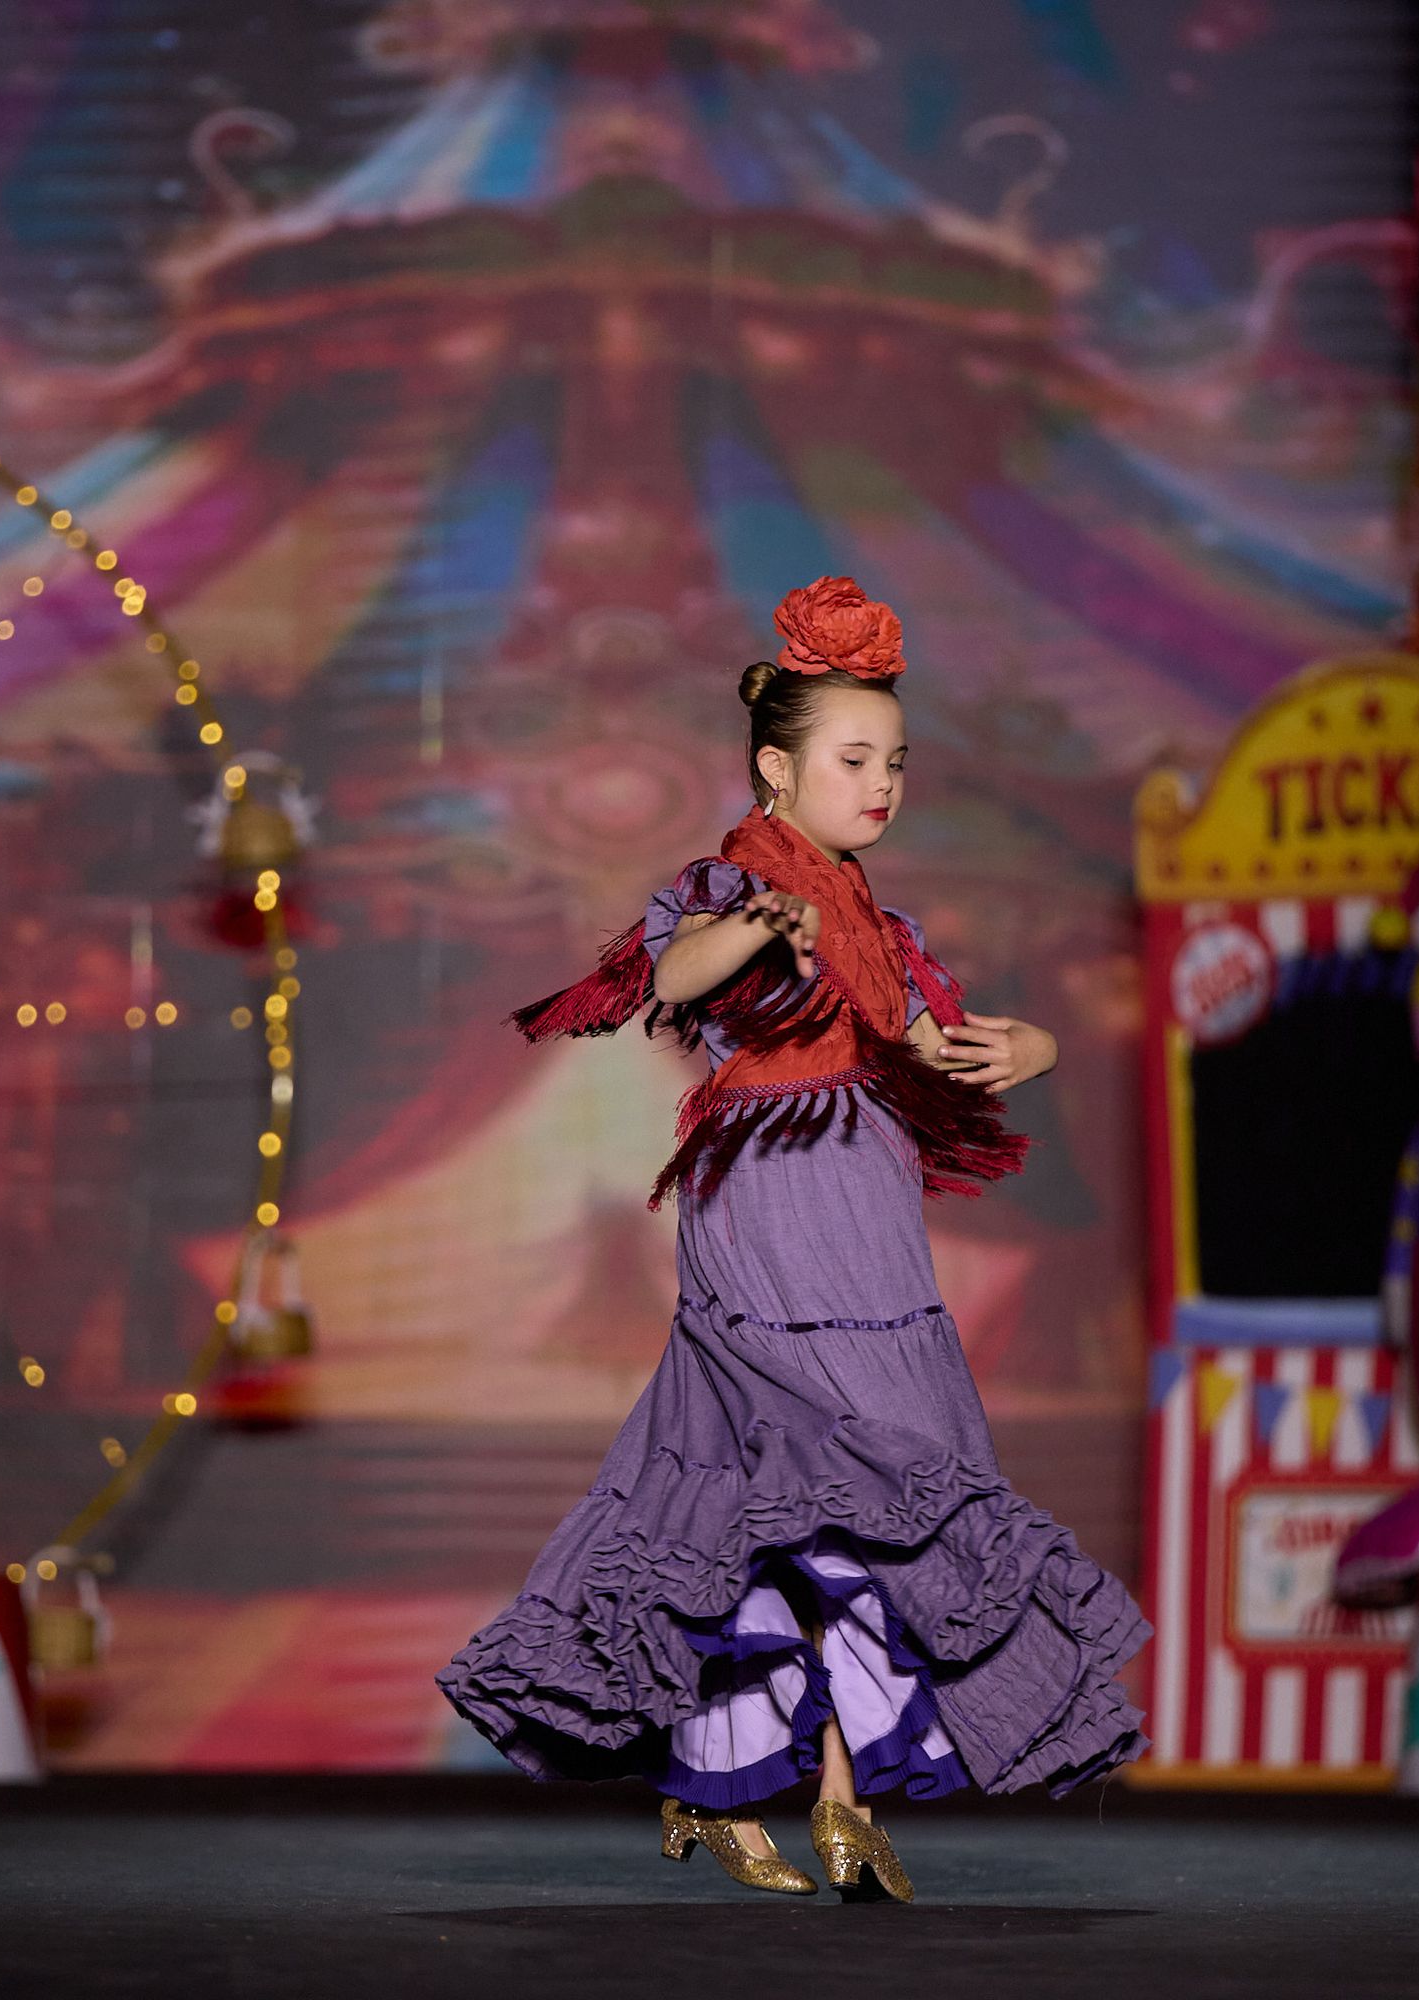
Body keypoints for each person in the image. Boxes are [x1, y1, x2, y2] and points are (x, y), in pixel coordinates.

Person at [436, 576, 1151, 1901]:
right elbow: (672, 975)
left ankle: (810, 1788)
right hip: (768, 1202)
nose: (881, 783)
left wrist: (1034, 1043)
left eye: (894, 761)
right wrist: (750, 929)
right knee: (822, 1495)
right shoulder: (735, 880)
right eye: (852, 758)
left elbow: (938, 1043)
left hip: (867, 1206)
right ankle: (779, 1783)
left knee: (861, 1507)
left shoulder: (874, 918)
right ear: (778, 768)